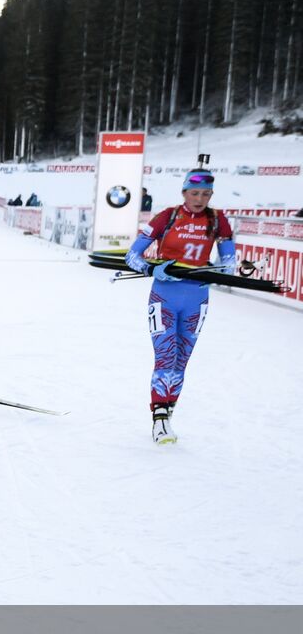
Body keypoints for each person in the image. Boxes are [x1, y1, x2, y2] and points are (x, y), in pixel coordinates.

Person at [125, 169, 235, 444]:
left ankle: (168, 413)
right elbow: (132, 256)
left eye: (206, 194)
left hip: (197, 298)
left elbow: (229, 264)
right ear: (184, 192)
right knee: (165, 355)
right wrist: (154, 269)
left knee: (181, 360)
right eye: (195, 193)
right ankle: (159, 420)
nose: (200, 199)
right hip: (164, 297)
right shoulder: (168, 216)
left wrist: (221, 270)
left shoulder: (218, 219)